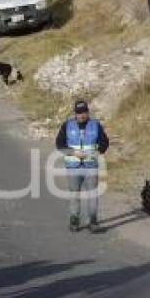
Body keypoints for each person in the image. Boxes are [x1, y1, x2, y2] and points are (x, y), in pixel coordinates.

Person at [56, 100, 110, 233]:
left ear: (88, 112)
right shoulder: (67, 125)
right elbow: (59, 144)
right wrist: (73, 152)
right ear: (75, 113)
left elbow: (104, 142)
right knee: (74, 194)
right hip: (73, 167)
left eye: (84, 112)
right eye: (79, 113)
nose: (82, 115)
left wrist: (99, 151)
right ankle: (74, 219)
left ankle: (93, 221)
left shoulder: (95, 125)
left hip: (91, 166)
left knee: (92, 194)